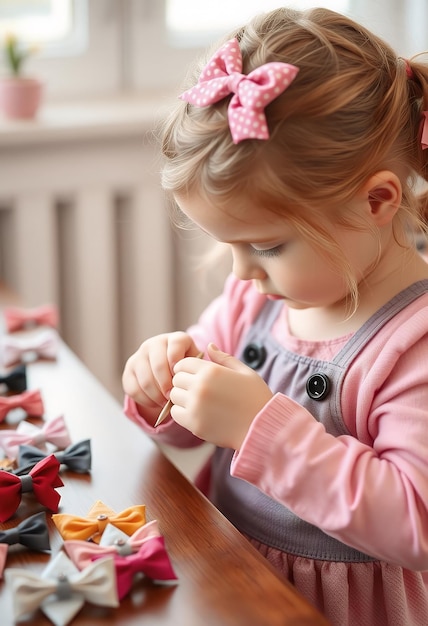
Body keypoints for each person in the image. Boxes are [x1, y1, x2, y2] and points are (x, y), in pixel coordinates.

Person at [122, 7, 428, 625]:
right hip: (230, 581)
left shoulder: (412, 343)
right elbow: (189, 424)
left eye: (265, 246)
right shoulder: (256, 299)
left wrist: (261, 429)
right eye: (229, 245)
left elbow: (414, 521)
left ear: (377, 201)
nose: (240, 274)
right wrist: (162, 385)